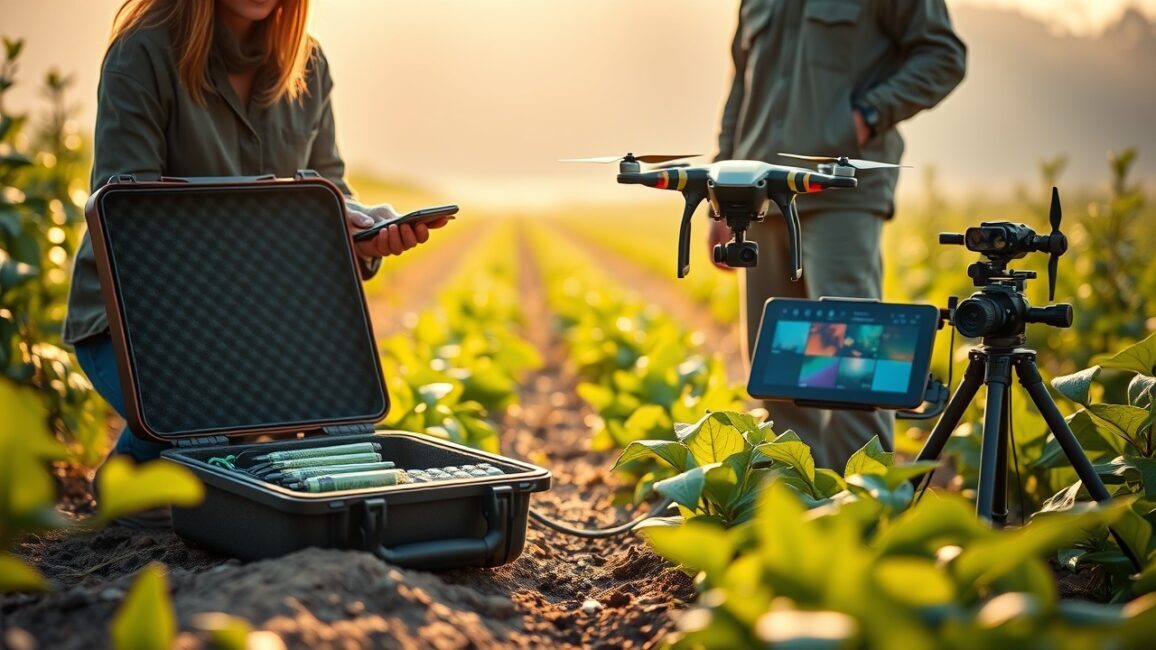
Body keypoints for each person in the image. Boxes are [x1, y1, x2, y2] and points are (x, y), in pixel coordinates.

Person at [64, 0, 446, 474]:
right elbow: (131, 226)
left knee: (348, 439)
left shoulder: (308, 62)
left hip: (263, 323)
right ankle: (133, 476)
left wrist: (358, 230)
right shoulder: (142, 52)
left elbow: (329, 187)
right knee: (219, 429)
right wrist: (286, 224)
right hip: (141, 324)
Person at [708, 0, 966, 470]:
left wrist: (868, 114)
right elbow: (740, 90)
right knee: (775, 363)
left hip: (842, 194)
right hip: (760, 193)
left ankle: (861, 510)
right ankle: (792, 503)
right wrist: (720, 188)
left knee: (853, 365)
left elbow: (943, 55)